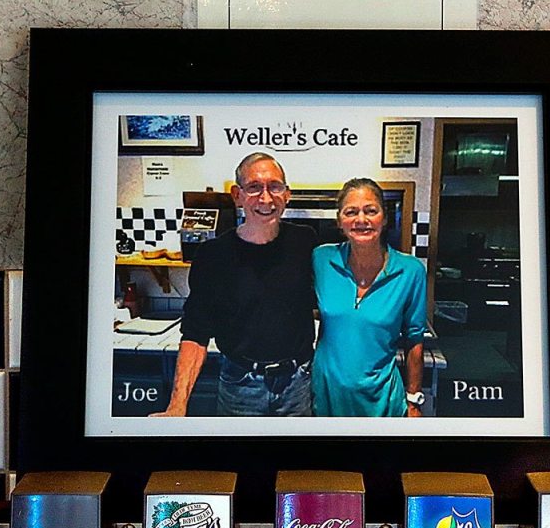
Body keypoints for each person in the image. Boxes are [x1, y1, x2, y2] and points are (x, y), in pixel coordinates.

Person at [157, 152, 317, 416]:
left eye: (275, 187)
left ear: (287, 194)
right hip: (239, 386)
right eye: (254, 187)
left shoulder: (304, 241)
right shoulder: (213, 255)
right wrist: (177, 405)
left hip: (297, 385)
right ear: (237, 195)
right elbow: (195, 335)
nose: (266, 198)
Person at [311, 177, 428, 417]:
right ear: (339, 221)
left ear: (384, 218)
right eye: (351, 212)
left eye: (370, 211)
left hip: (382, 398)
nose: (361, 220)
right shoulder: (321, 259)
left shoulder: (410, 271)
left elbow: (414, 340)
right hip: (325, 395)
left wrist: (413, 399)